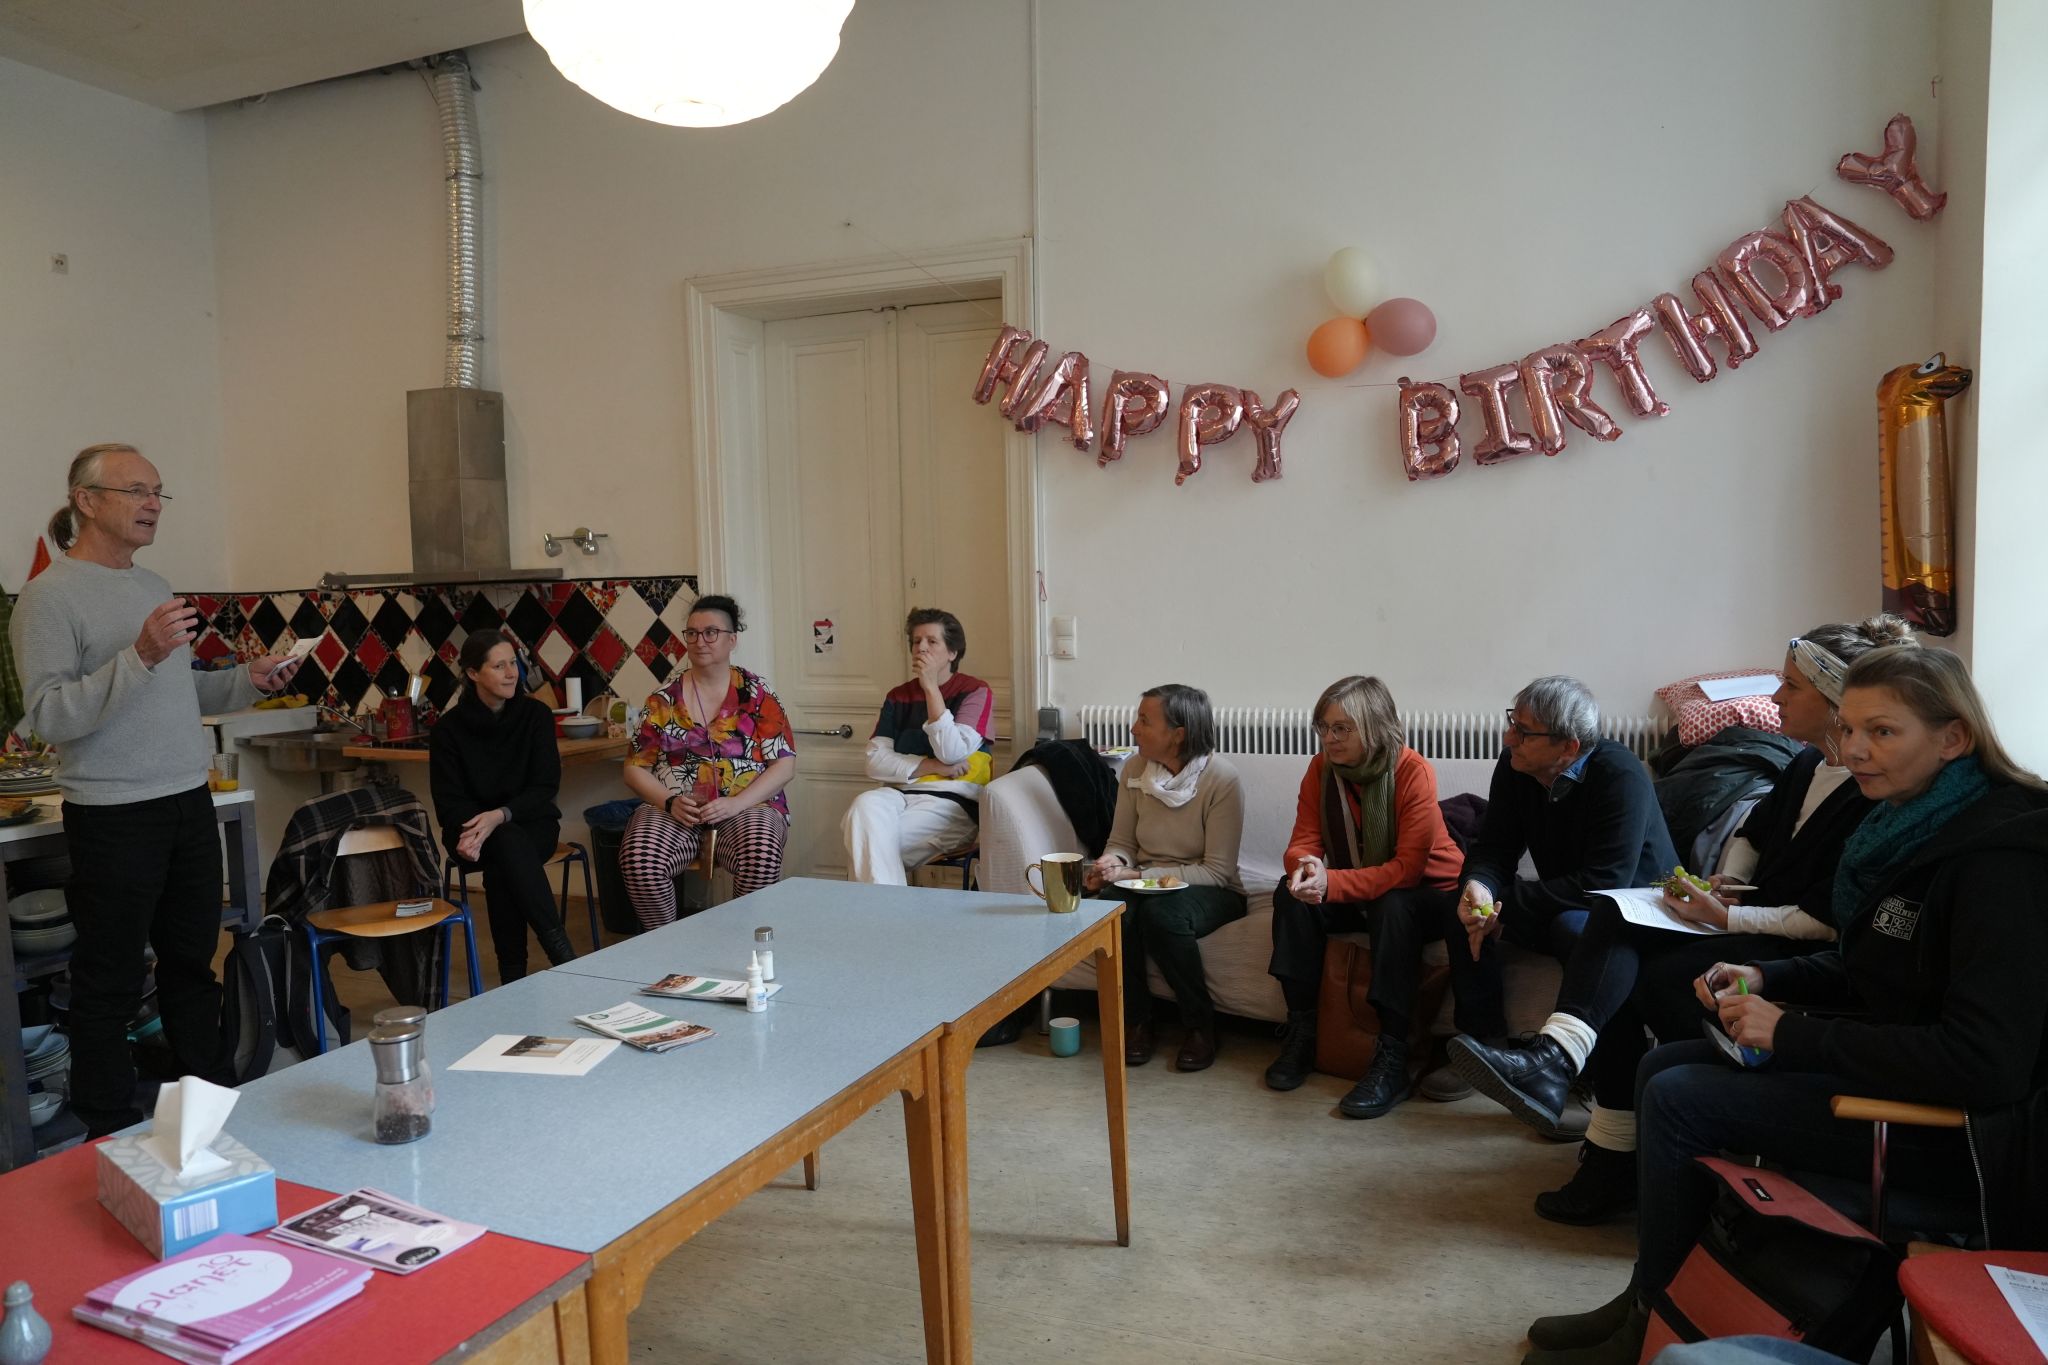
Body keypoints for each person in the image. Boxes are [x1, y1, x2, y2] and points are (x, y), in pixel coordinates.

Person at [1521, 645, 2048, 1365]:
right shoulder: (1912, 823)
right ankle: (1652, 1296)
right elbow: (1876, 968)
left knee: (1680, 1095)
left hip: (1963, 1134)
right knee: (1660, 1068)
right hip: (1901, 1072)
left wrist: (1792, 1033)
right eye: (1850, 727)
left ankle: (1652, 1324)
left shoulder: (2000, 864)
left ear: (1953, 737)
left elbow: (1986, 1063)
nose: (1853, 749)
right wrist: (1771, 978)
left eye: (1882, 731)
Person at [1516, 617, 1910, 1225]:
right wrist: (1722, 880)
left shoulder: (1867, 789)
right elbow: (1753, 832)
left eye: (1791, 686)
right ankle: (1577, 1083)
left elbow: (1829, 921)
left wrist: (1727, 915)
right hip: (1748, 921)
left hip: (1789, 948)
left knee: (1640, 972)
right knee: (1607, 918)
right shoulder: (1807, 763)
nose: (1775, 697)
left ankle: (1606, 1124)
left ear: (1837, 702)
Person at [10, 444, 302, 1135]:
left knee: (192, 967)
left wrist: (248, 681)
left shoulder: (153, 584)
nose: (152, 504)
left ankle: (211, 1116)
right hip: (113, 814)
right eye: (136, 490)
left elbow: (177, 689)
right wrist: (139, 653)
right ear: (86, 500)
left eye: (158, 492)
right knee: (108, 982)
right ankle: (108, 1130)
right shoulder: (48, 598)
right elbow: (50, 715)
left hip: (187, 803)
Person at [1447, 677, 1677, 1086]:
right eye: (1512, 723)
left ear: (1568, 747)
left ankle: (1603, 1081)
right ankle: (1487, 1048)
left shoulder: (1619, 773)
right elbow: (1495, 847)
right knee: (1461, 908)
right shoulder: (1516, 766)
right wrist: (1480, 886)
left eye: (1524, 731)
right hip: (1571, 899)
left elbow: (1604, 881)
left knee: (1573, 928)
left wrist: (1505, 905)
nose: (1508, 738)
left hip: (1637, 911)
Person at [1262, 675, 1463, 1119]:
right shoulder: (1321, 769)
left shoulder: (1412, 771)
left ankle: (1393, 1057)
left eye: (1342, 728)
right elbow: (1303, 840)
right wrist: (1306, 869)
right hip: (1361, 885)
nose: (1329, 738)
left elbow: (1407, 870)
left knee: (1393, 904)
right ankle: (1302, 1033)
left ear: (1374, 727)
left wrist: (1332, 883)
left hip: (1430, 893)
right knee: (1290, 896)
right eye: (1324, 727)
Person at [1085, 684, 1246, 1072]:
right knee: (1112, 910)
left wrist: (1139, 874)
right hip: (1144, 881)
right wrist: (1110, 863)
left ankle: (1200, 1025)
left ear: (1178, 734)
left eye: (1145, 720)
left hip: (1211, 888)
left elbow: (1217, 870)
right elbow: (1123, 841)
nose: (1133, 728)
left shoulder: (1222, 779)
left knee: (1163, 915)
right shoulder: (1135, 769)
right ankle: (1137, 1022)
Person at [620, 594, 796, 923]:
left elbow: (784, 765)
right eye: (692, 633)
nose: (700, 641)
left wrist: (737, 803)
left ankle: (745, 943)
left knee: (761, 853)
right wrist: (669, 802)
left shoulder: (757, 694)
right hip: (676, 810)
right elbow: (634, 769)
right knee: (640, 860)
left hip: (748, 806)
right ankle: (666, 942)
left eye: (711, 632)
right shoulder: (662, 700)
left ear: (732, 640)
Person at [429, 631, 575, 982]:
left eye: (513, 663)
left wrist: (499, 816)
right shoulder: (448, 729)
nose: (512, 673)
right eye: (499, 666)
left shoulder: (536, 715)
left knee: (505, 851)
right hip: (471, 832)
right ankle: (564, 958)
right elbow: (448, 802)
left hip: (532, 824)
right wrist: (481, 827)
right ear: (473, 673)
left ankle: (514, 975)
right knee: (504, 850)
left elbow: (544, 787)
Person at [842, 608, 995, 885]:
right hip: (897, 794)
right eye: (916, 641)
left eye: (932, 641)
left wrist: (931, 690)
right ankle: (888, 912)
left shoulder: (975, 691)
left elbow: (952, 752)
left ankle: (877, 911)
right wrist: (933, 766)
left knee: (865, 844)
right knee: (864, 806)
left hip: (951, 803)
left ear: (952, 652)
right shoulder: (898, 696)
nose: (921, 648)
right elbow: (874, 762)